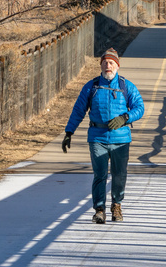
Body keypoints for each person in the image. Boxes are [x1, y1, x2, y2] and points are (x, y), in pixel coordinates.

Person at [61, 48, 145, 224]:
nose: (108, 65)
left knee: (119, 174)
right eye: (105, 62)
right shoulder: (91, 87)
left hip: (120, 139)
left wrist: (125, 118)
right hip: (97, 137)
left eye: (112, 63)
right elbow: (78, 110)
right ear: (100, 65)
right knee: (99, 175)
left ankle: (117, 205)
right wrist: (69, 132)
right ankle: (99, 209)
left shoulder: (126, 86)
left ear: (117, 66)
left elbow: (139, 107)